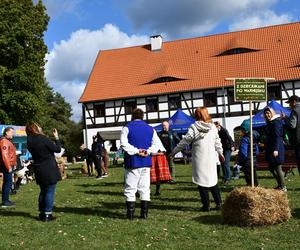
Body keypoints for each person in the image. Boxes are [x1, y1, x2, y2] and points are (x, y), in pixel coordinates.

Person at [170, 107, 224, 211]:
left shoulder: (194, 127)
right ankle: (219, 203)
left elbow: (185, 141)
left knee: (201, 182)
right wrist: (220, 153)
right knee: (213, 181)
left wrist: (174, 151)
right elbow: (217, 142)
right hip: (211, 158)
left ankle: (206, 205)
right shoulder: (213, 127)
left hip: (200, 158)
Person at [120, 108, 161, 220]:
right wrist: (146, 151)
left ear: (132, 116)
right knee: (145, 188)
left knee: (130, 188)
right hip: (146, 162)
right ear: (143, 117)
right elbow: (157, 145)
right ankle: (144, 215)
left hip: (133, 162)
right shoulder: (150, 129)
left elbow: (123, 144)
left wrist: (137, 151)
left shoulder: (127, 128)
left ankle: (131, 215)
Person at [26, 123, 62, 221]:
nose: (40, 127)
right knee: (50, 190)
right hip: (49, 168)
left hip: (39, 167)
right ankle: (47, 214)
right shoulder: (44, 139)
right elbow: (58, 149)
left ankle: (42, 212)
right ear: (35, 129)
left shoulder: (29, 141)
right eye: (38, 126)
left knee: (43, 190)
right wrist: (56, 138)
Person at [264, 107, 286, 191]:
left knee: (277, 167)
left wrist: (276, 149)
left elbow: (277, 136)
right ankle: (280, 184)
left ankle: (283, 186)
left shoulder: (276, 122)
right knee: (271, 167)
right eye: (266, 113)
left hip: (276, 148)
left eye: (268, 113)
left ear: (272, 113)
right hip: (270, 148)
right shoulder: (269, 123)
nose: (267, 115)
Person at [236, 120, 259, 186]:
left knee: (249, 177)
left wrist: (241, 160)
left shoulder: (245, 139)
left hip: (247, 162)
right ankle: (256, 186)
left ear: (244, 130)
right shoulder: (253, 138)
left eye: (242, 130)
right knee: (254, 176)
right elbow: (257, 151)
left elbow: (243, 152)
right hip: (254, 160)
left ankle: (251, 187)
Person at [282, 95, 300, 174]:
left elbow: (292, 125)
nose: (289, 105)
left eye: (290, 103)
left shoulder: (295, 111)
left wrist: (285, 118)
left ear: (294, 102)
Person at [0, 127, 16, 207]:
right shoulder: (4, 141)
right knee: (8, 183)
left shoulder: (7, 141)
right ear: (6, 132)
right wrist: (8, 167)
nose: (13, 134)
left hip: (9, 164)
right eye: (11, 132)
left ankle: (5, 200)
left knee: (7, 182)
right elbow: (4, 155)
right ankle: (5, 201)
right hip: (7, 165)